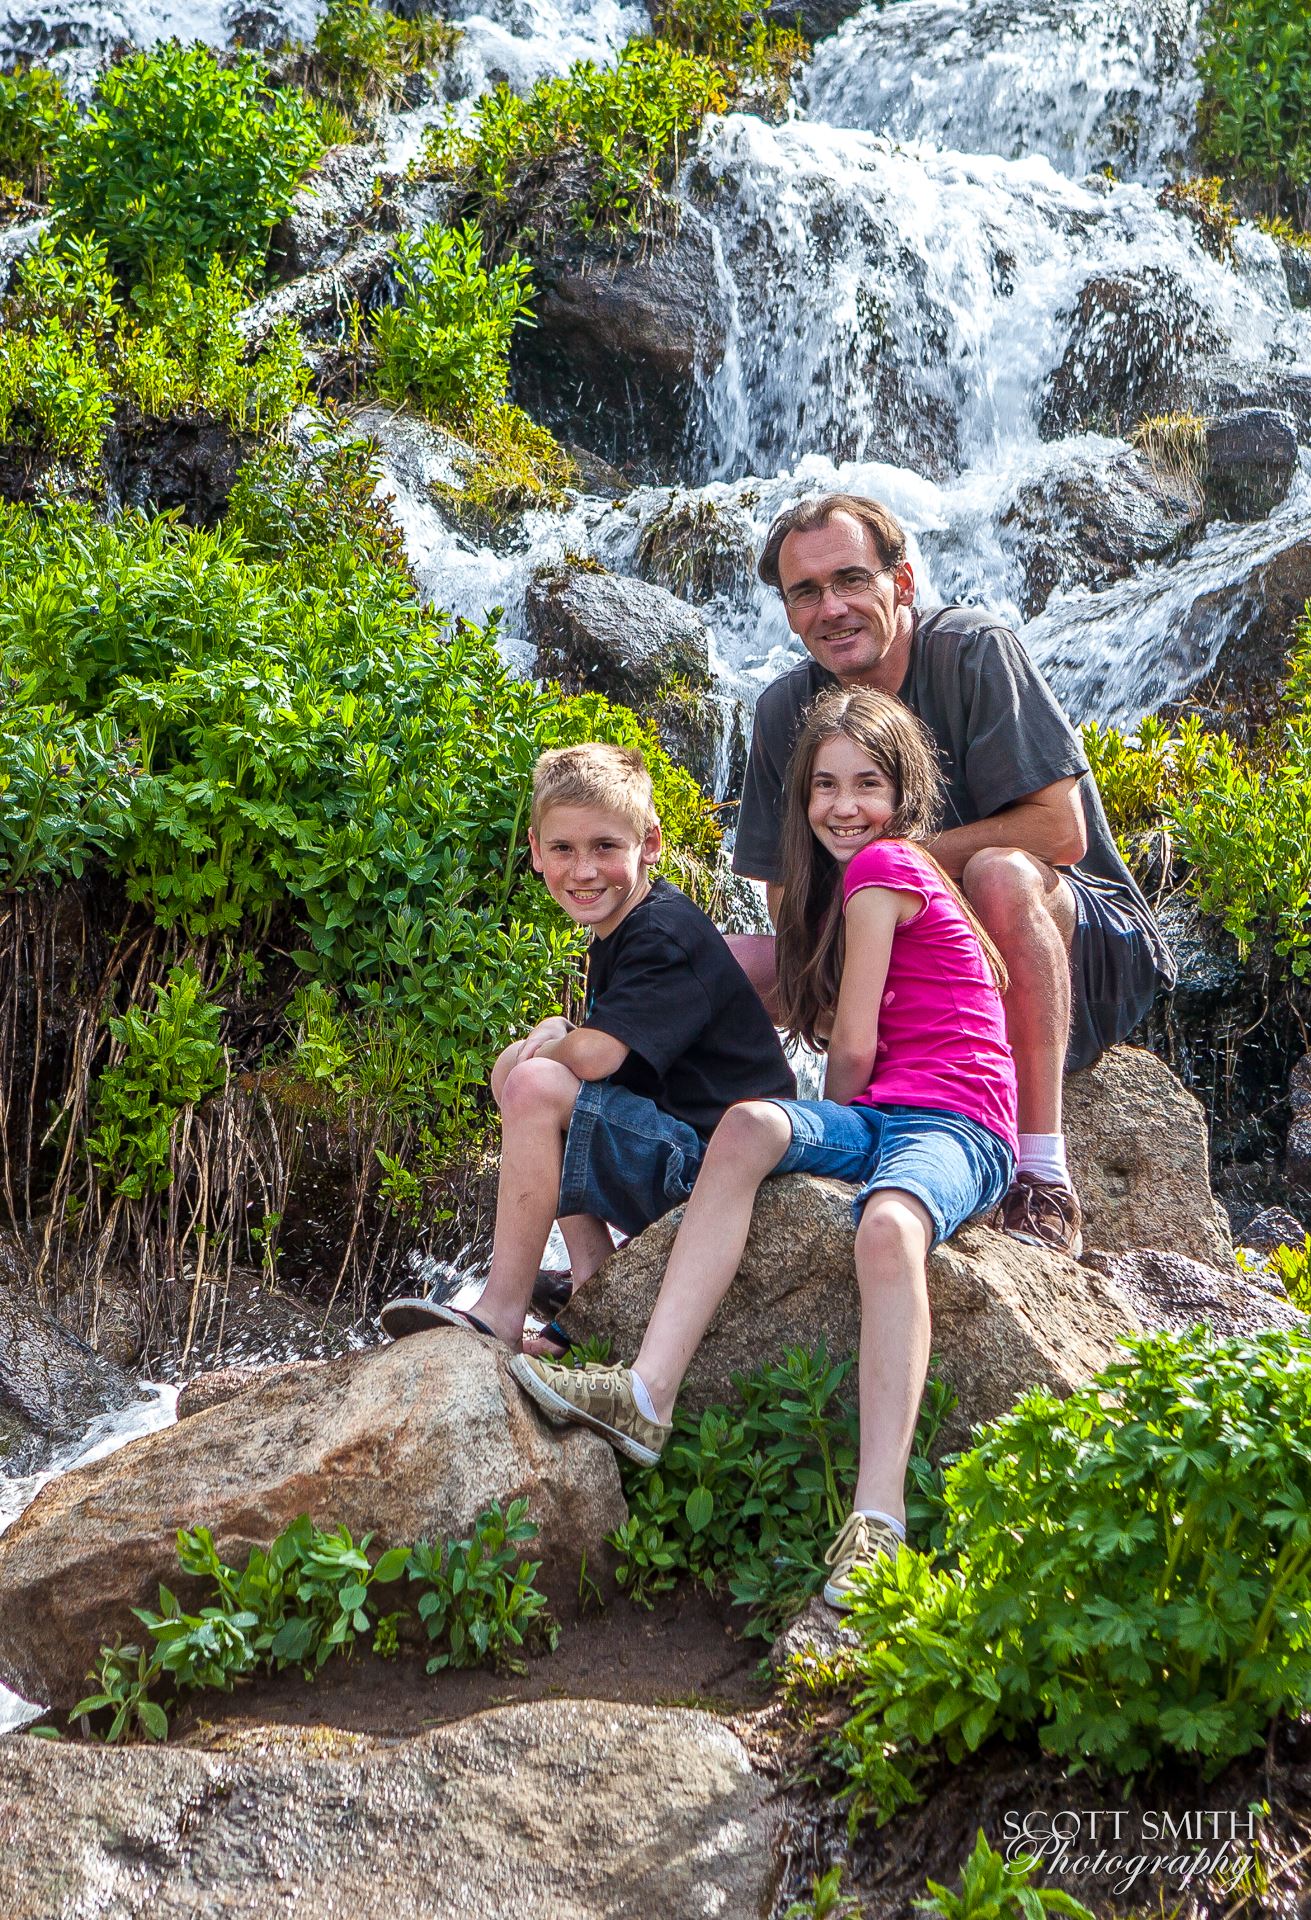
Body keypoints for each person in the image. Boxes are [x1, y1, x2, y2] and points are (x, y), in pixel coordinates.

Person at [508, 687, 1017, 1605]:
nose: (841, 804)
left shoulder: (884, 870)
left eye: (865, 783)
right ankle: (647, 1396)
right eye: (823, 784)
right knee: (746, 1123)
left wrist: (831, 1144)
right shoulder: (844, 885)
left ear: (904, 793)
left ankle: (878, 1515)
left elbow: (853, 1044)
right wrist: (817, 1132)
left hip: (956, 1125)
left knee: (886, 1226)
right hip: (883, 1116)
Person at [729, 492, 1174, 1258]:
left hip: (1078, 950)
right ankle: (679, 1168)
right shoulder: (783, 711)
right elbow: (787, 900)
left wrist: (903, 864)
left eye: (850, 579)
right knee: (721, 964)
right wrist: (834, 978)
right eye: (805, 591)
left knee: (1001, 874)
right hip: (899, 974)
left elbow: (1057, 830)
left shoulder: (972, 651)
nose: (830, 608)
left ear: (902, 583)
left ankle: (1040, 1175)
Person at [380, 741, 796, 1353]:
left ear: (649, 843)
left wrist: (552, 1042)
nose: (583, 870)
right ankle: (592, 1284)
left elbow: (598, 1059)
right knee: (517, 1071)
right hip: (683, 1155)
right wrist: (551, 1037)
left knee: (532, 1081)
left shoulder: (663, 931)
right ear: (535, 852)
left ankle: (501, 1309)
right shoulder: (623, 928)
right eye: (563, 849)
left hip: (722, 1175)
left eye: (605, 846)